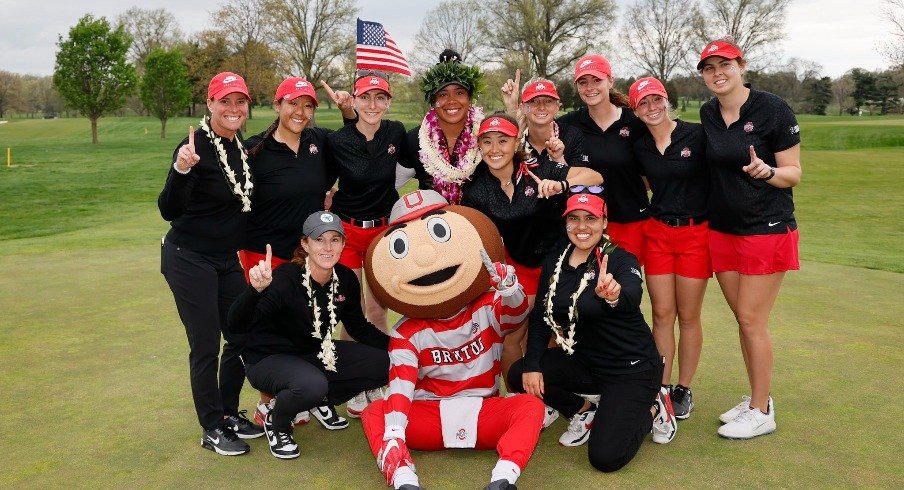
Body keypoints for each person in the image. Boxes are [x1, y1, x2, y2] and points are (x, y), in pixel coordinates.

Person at [361, 190, 545, 490]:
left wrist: (510, 287)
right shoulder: (407, 331)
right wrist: (394, 435)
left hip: (482, 411)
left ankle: (503, 479)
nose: (425, 258)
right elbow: (401, 384)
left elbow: (516, 315)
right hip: (429, 417)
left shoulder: (487, 304)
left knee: (530, 407)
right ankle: (404, 479)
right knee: (376, 412)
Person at [507, 191, 677, 472]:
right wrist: (534, 364)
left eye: (590, 219)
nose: (582, 226)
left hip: (630, 369)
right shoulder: (556, 259)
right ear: (566, 223)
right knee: (520, 373)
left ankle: (653, 407)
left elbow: (631, 295)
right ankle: (583, 410)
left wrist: (613, 294)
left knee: (605, 458)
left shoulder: (620, 260)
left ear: (604, 221)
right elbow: (540, 316)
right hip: (584, 363)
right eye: (574, 219)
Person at [460, 111, 601, 413]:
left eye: (502, 140)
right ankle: (521, 400)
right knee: (512, 336)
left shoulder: (539, 168)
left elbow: (594, 177)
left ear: (515, 144)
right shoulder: (475, 190)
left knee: (552, 333)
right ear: (479, 147)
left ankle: (548, 398)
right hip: (515, 267)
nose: (495, 149)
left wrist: (561, 184)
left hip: (554, 265)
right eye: (487, 142)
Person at [697, 38, 802, 439]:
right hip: (723, 230)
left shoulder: (772, 108)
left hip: (767, 227)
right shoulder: (708, 113)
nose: (717, 73)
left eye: (724, 65)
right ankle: (757, 397)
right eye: (709, 68)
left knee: (752, 319)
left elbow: (793, 172)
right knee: (743, 320)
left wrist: (768, 172)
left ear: (741, 65)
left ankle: (762, 409)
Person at [241, 76, 356, 430]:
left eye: (308, 106)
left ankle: (310, 395)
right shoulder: (255, 149)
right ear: (278, 106)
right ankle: (267, 405)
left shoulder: (318, 141)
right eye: (293, 104)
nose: (301, 112)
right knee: (274, 331)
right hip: (265, 254)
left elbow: (352, 143)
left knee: (314, 325)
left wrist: (348, 111)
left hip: (308, 253)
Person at [227, 211, 390, 459]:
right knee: (311, 385)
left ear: (343, 244)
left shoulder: (345, 278)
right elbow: (236, 324)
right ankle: (276, 420)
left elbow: (358, 328)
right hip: (268, 359)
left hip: (313, 353)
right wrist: (255, 291)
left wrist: (401, 347)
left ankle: (319, 398)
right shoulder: (284, 279)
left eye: (334, 239)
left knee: (387, 363)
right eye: (319, 239)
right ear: (305, 244)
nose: (327, 247)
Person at [158, 71, 263, 456]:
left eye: (240, 102)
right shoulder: (195, 145)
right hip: (188, 258)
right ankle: (210, 427)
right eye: (225, 101)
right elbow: (168, 209)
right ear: (210, 104)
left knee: (240, 333)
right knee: (205, 343)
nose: (233, 109)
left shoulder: (240, 147)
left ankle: (229, 413)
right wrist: (181, 169)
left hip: (225, 259)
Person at [326, 72, 412, 416]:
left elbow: (411, 167)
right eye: (366, 98)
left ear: (388, 102)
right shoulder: (337, 140)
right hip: (347, 232)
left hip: (382, 232)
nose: (373, 105)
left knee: (378, 309)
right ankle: (355, 380)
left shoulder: (395, 132)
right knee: (352, 310)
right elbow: (322, 178)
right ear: (355, 102)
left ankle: (379, 376)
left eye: (380, 98)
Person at [629, 77, 711, 419]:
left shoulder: (697, 134)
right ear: (635, 110)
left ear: (666, 100)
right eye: (643, 103)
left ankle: (684, 388)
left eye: (656, 100)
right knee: (662, 314)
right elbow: (647, 184)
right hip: (658, 233)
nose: (652, 108)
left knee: (688, 316)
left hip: (696, 234)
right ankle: (661, 388)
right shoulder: (640, 147)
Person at [558, 55, 650, 264]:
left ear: (610, 81)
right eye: (583, 82)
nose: (590, 87)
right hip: (585, 225)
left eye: (596, 80)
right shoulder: (568, 125)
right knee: (586, 292)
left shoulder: (635, 123)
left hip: (630, 222)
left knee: (625, 290)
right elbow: (533, 136)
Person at [406, 49, 485, 204]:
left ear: (470, 98)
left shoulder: (486, 136)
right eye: (443, 94)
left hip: (476, 224)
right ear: (433, 101)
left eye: (459, 93)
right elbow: (389, 182)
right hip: (431, 224)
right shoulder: (415, 139)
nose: (451, 100)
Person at [500, 72, 585, 168]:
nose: (541, 107)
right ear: (523, 107)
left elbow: (582, 178)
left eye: (548, 101)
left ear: (557, 107)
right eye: (534, 101)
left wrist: (559, 159)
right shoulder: (517, 139)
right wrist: (512, 109)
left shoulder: (572, 135)